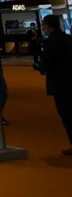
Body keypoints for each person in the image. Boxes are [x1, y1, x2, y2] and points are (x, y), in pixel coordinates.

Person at [36, 15, 72, 156]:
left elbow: (47, 63)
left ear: (49, 26)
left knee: (67, 115)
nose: (42, 28)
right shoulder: (68, 38)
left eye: (43, 25)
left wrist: (40, 67)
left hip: (60, 84)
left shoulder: (51, 42)